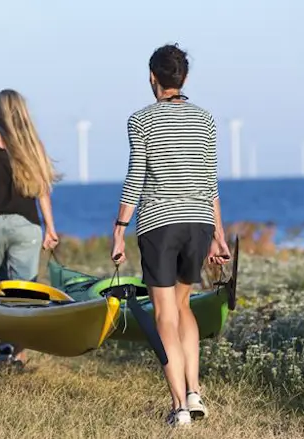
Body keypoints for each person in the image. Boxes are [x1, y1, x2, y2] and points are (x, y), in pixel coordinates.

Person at [109, 43, 231, 428]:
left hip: (160, 224)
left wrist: (119, 230)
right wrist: (219, 235)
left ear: (152, 78)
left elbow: (136, 178)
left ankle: (179, 406)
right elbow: (209, 181)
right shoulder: (205, 120)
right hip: (199, 224)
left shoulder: (140, 120)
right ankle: (195, 391)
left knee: (164, 313)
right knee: (183, 307)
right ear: (185, 78)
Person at [0, 88, 60, 366]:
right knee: (24, 291)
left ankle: (4, 343)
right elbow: (43, 191)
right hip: (26, 227)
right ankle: (19, 352)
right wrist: (51, 227)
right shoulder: (33, 146)